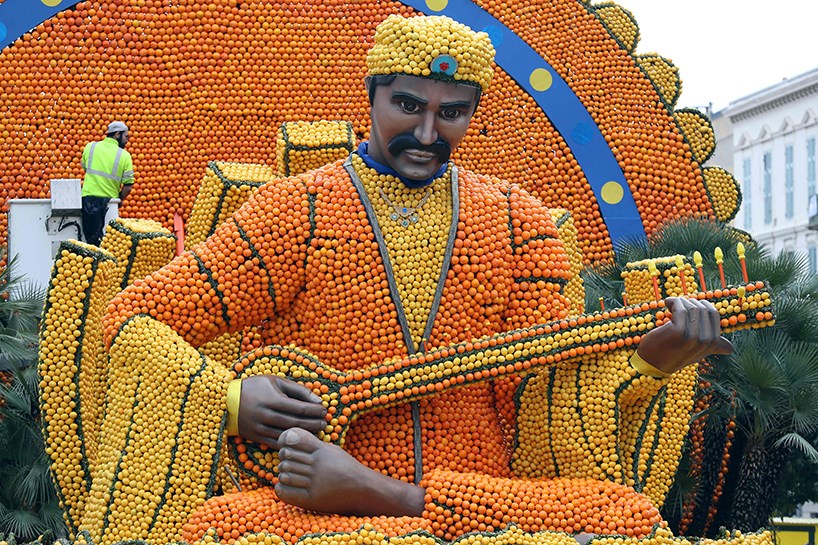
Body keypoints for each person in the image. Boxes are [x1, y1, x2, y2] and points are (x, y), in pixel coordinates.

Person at [90, 14, 732, 545]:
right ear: (370, 95)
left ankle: (393, 497)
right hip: (310, 508)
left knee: (625, 516)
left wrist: (651, 360)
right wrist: (233, 399)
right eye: (407, 105)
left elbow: (540, 387)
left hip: (467, 502)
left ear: (472, 114)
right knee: (222, 528)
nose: (427, 133)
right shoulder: (298, 210)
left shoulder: (517, 223)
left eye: (451, 113)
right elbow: (129, 321)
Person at [80, 120, 134, 246]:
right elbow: (128, 186)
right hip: (109, 203)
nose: (127, 140)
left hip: (87, 200)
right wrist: (120, 199)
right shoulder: (124, 155)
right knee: (107, 243)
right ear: (117, 134)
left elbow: (85, 166)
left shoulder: (90, 147)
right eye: (126, 136)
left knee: (87, 244)